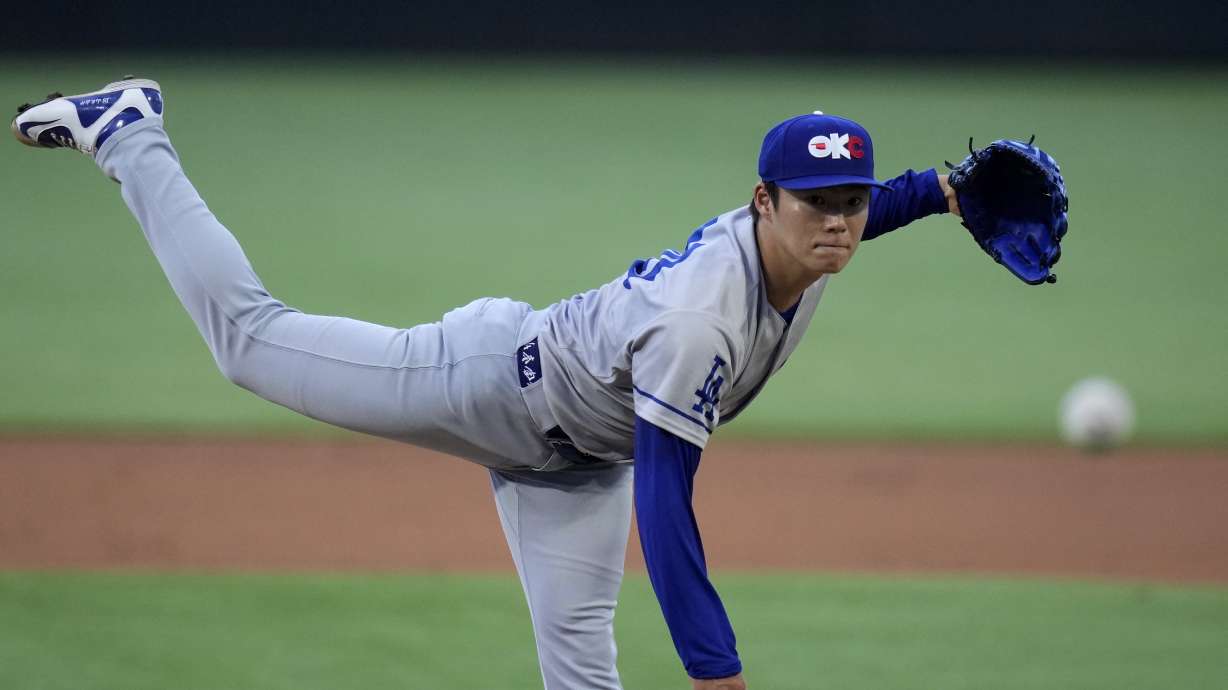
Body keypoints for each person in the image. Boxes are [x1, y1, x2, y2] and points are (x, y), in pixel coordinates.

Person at [13, 78, 961, 690]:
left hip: (578, 463)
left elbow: (854, 218)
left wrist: (944, 191)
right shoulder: (699, 325)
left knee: (583, 678)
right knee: (250, 344)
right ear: (765, 202)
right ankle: (130, 131)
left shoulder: (799, 244)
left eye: (853, 202)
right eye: (816, 203)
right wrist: (718, 675)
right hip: (490, 386)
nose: (838, 224)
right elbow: (667, 514)